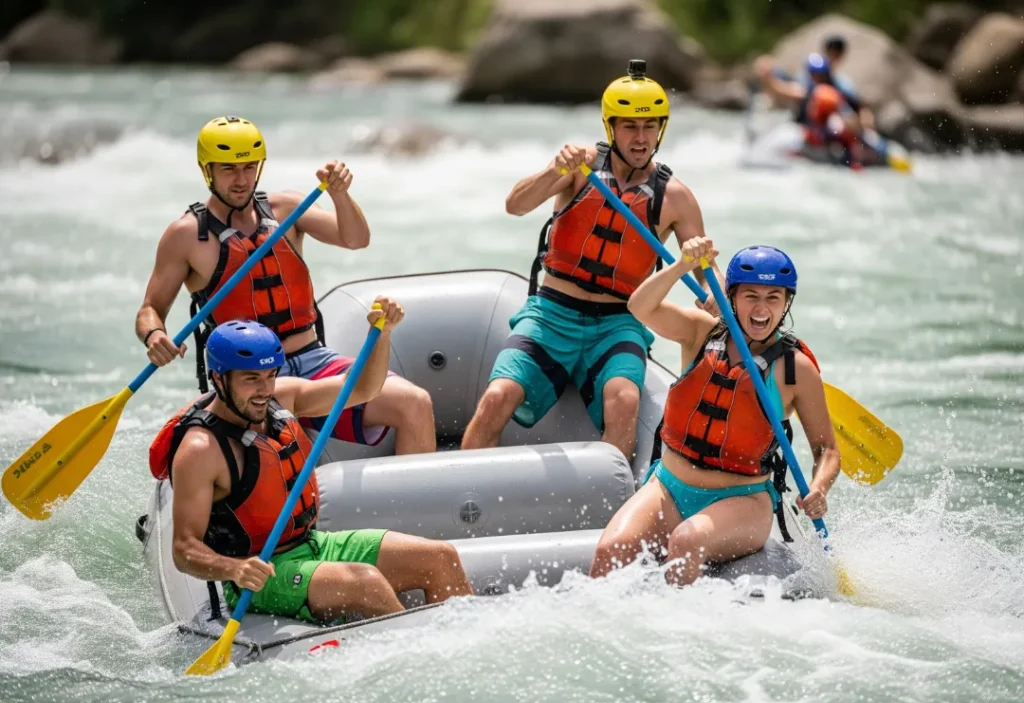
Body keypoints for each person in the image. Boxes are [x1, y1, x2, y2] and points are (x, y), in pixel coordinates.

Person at [149, 309, 474, 623]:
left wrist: (383, 333)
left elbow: (363, 389)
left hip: (312, 544)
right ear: (219, 379)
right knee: (366, 582)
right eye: (251, 379)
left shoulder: (283, 398)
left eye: (270, 376)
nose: (264, 391)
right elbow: (184, 549)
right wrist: (235, 569)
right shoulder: (200, 450)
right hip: (260, 572)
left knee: (441, 558)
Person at [136, 115, 436, 455]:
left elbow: (356, 240)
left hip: (314, 359)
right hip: (251, 377)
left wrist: (340, 195)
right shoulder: (186, 235)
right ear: (207, 170)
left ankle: (411, 507)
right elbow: (150, 309)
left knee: (414, 402)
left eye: (249, 168)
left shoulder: (288, 209)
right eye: (229, 169)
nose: (241, 180)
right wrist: (154, 335)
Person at [460, 59, 710, 462]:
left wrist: (712, 293)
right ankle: (462, 492)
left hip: (618, 323)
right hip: (551, 313)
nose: (641, 137)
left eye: (650, 127)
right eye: (630, 126)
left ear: (661, 129)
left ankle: (613, 510)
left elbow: (704, 268)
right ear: (611, 127)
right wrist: (551, 171)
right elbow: (515, 205)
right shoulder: (579, 168)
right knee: (497, 396)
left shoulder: (675, 196)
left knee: (624, 399)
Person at [589, 240, 840, 586]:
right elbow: (639, 307)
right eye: (750, 296)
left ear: (786, 303)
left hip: (743, 501)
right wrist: (682, 265)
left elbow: (826, 449)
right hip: (668, 487)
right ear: (732, 297)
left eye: (773, 298)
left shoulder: (796, 370)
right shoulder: (700, 332)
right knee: (610, 551)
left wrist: (819, 488)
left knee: (687, 540)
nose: (761, 308)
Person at [756, 53, 866, 170]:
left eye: (819, 74)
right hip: (815, 142)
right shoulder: (809, 91)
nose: (816, 77)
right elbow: (782, 90)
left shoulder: (835, 105)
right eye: (813, 74)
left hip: (818, 146)